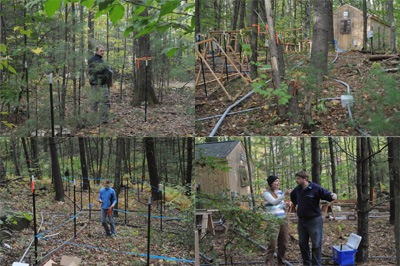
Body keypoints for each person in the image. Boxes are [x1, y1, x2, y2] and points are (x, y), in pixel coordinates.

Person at [290, 171, 337, 266]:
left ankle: (316, 264)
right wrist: (296, 204)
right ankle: (306, 263)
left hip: (314, 220)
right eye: (296, 178)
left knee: (316, 244)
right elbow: (292, 196)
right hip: (302, 221)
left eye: (299, 179)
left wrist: (332, 196)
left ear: (305, 179)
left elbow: (326, 195)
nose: (297, 181)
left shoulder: (315, 188)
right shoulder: (297, 189)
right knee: (303, 244)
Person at [263, 175, 291, 266]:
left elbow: (279, 207)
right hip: (273, 221)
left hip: (283, 219)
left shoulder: (279, 193)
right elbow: (274, 202)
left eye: (279, 181)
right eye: (276, 181)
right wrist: (286, 194)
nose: (278, 183)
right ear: (271, 183)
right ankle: (269, 263)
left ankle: (281, 263)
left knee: (284, 244)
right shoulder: (266, 194)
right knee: (272, 245)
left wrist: (285, 206)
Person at [88, 45, 112, 124]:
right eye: (101, 51)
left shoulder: (93, 59)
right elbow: (104, 71)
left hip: (94, 84)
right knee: (105, 101)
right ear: (97, 51)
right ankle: (104, 120)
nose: (102, 52)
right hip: (100, 84)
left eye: (103, 51)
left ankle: (93, 119)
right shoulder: (97, 60)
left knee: (94, 102)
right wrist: (110, 72)